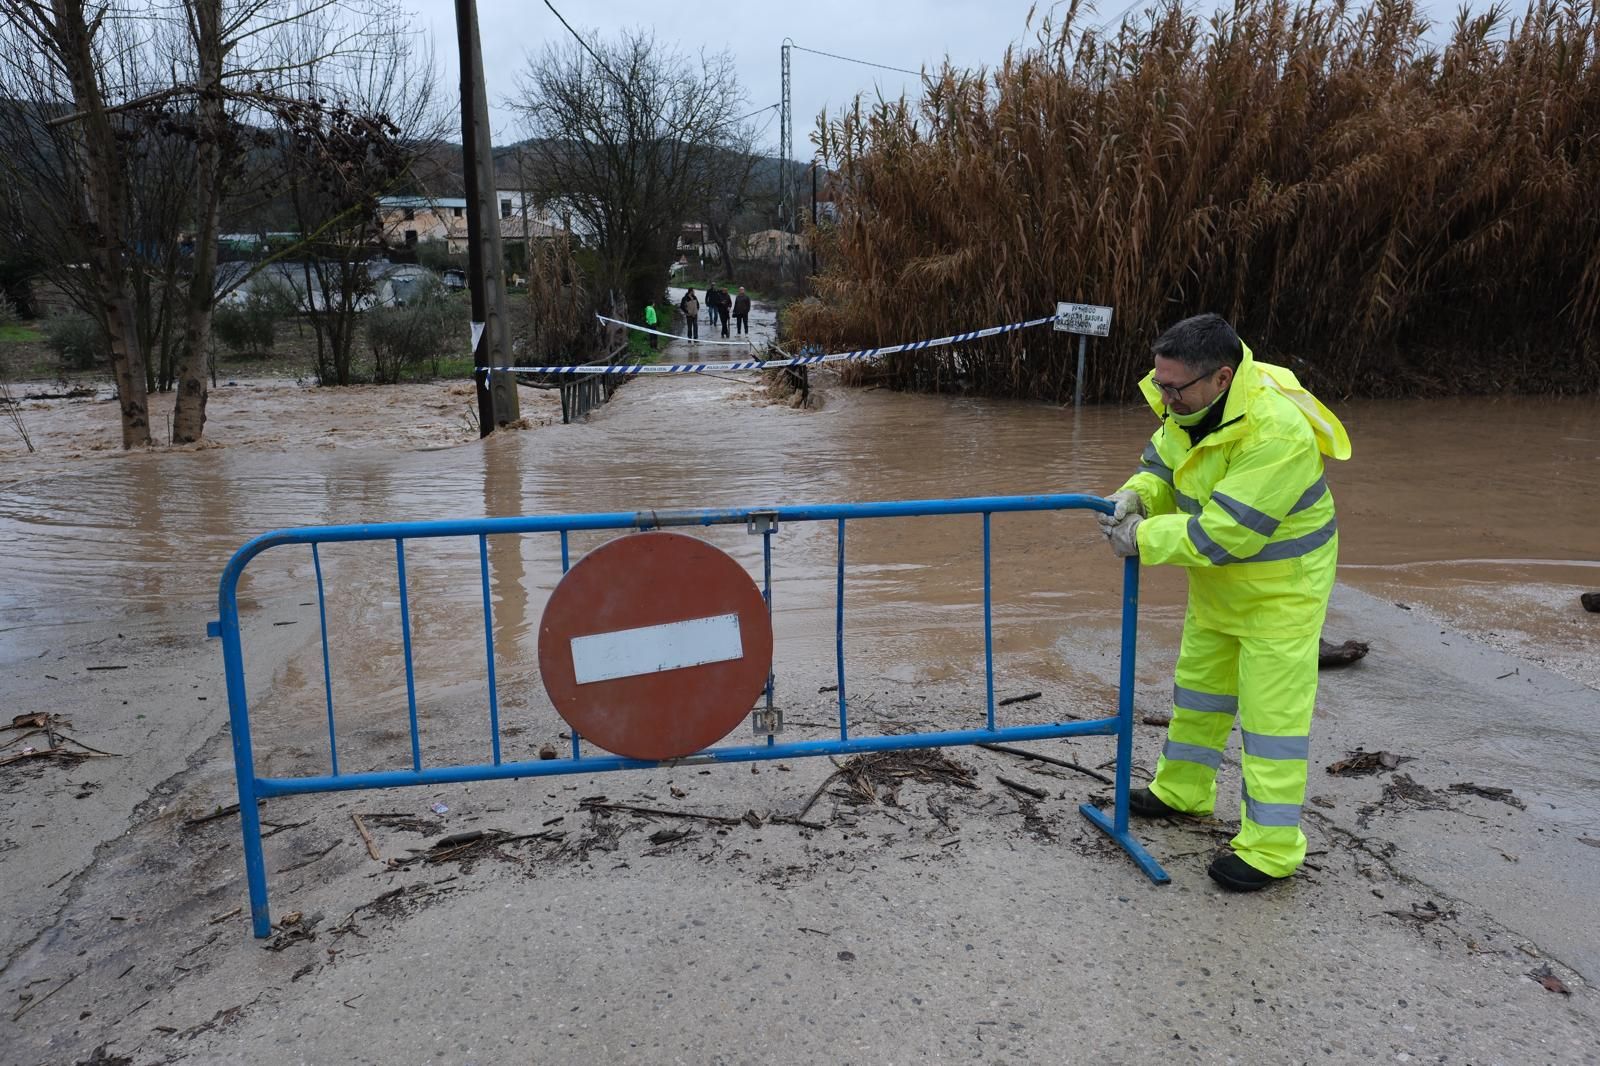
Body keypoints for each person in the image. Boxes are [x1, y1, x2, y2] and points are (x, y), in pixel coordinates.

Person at [1097, 313, 1350, 892]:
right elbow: (1161, 466)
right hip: (1218, 587)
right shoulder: (1189, 406)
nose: (1163, 399)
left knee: (1271, 724)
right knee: (1200, 693)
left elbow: (1224, 534)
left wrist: (1141, 537)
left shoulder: (1275, 431)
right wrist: (1133, 496)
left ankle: (1270, 849)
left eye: (1172, 388)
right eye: (1158, 384)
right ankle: (1182, 791)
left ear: (1221, 377)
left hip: (1282, 594)